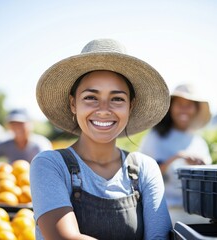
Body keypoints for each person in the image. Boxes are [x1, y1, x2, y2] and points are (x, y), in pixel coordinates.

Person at [30, 39, 173, 240]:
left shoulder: (144, 169)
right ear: (73, 104)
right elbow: (64, 237)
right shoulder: (49, 165)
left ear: (130, 106)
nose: (104, 110)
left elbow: (159, 237)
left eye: (117, 99)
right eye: (91, 97)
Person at [139, 83, 212, 225]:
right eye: (179, 104)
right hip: (165, 212)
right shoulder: (155, 138)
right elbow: (143, 175)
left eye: (189, 105)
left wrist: (200, 165)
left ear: (195, 110)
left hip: (197, 213)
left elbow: (208, 181)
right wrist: (176, 158)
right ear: (171, 107)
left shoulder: (198, 142)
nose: (184, 110)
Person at [0, 108, 52, 172]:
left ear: (30, 124)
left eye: (21, 123)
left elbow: (48, 166)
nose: (17, 127)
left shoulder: (41, 143)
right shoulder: (4, 144)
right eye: (13, 123)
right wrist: (0, 168)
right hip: (10, 184)